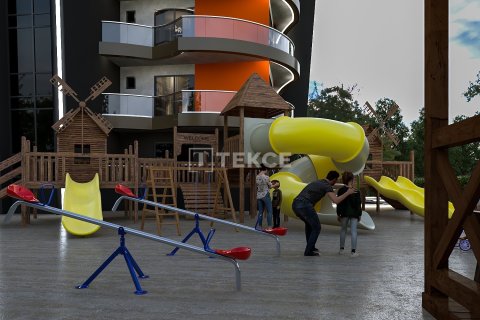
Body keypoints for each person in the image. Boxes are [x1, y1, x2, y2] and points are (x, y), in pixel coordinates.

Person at [292, 170, 356, 256]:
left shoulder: (320, 181)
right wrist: (348, 192)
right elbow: (336, 200)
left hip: (296, 204)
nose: (335, 182)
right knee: (317, 227)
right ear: (334, 179)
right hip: (305, 205)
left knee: (309, 225)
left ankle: (311, 247)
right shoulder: (327, 186)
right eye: (336, 180)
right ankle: (308, 251)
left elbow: (334, 186)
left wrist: (344, 186)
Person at [336, 171, 362, 257]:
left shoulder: (341, 190)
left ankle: (341, 249)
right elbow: (358, 205)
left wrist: (338, 213)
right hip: (354, 214)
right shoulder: (356, 191)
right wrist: (359, 214)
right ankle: (353, 252)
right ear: (352, 179)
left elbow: (338, 203)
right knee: (354, 231)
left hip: (343, 213)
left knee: (343, 230)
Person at [255, 165, 273, 230]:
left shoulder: (257, 177)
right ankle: (269, 227)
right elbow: (270, 186)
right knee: (269, 211)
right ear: (265, 169)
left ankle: (259, 226)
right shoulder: (266, 177)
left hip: (259, 195)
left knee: (260, 212)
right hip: (265, 195)